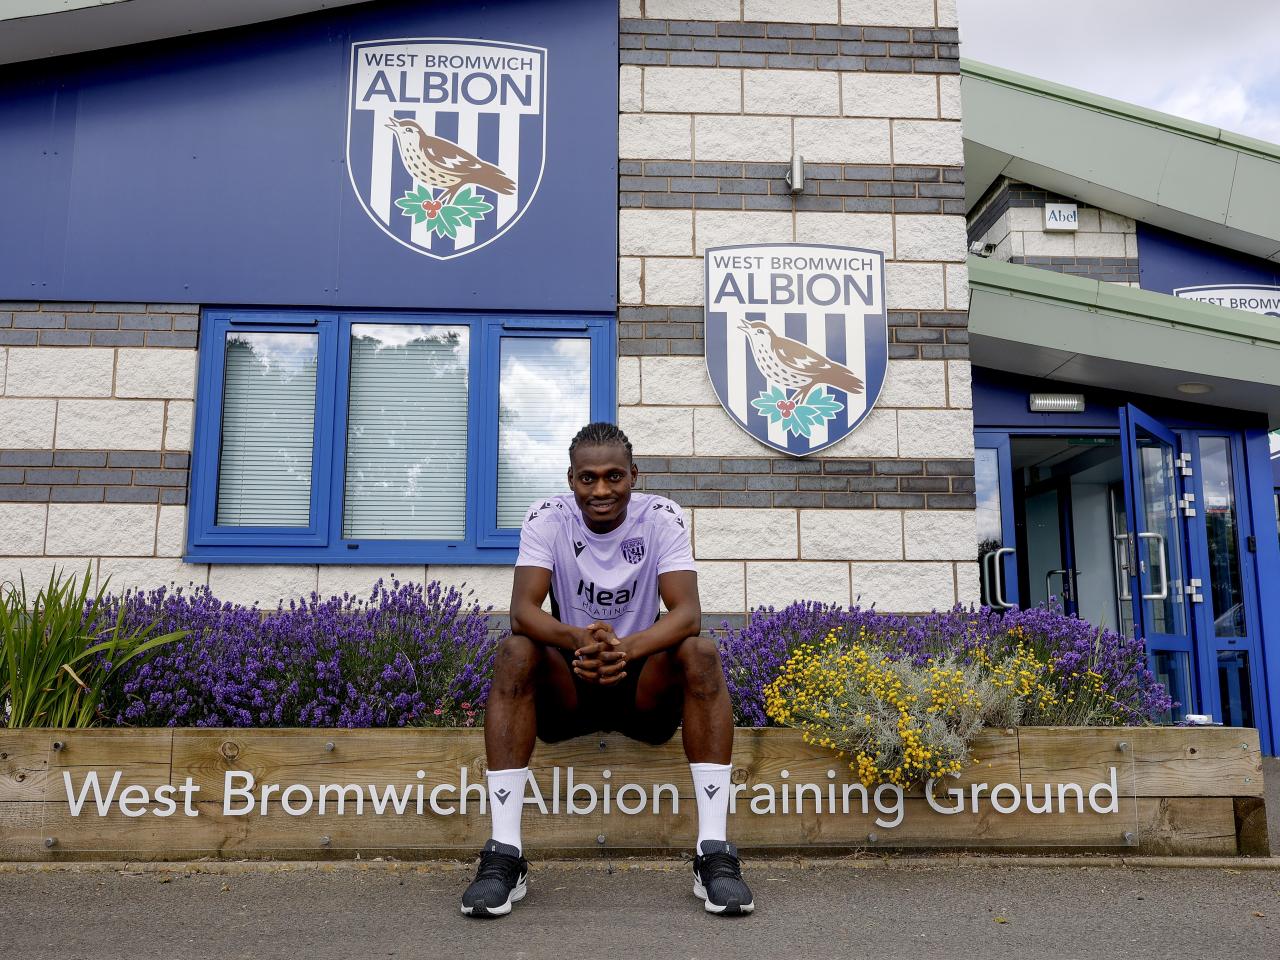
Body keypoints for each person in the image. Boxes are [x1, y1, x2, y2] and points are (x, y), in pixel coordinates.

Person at [461, 422, 754, 918]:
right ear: (571, 479)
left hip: (640, 690)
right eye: (588, 478)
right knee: (515, 651)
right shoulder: (547, 517)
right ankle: (504, 857)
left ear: (634, 476)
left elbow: (687, 614)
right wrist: (578, 638)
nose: (601, 490)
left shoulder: (661, 517)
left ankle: (714, 854)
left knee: (700, 652)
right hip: (569, 690)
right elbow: (523, 611)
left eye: (614, 477)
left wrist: (626, 648)